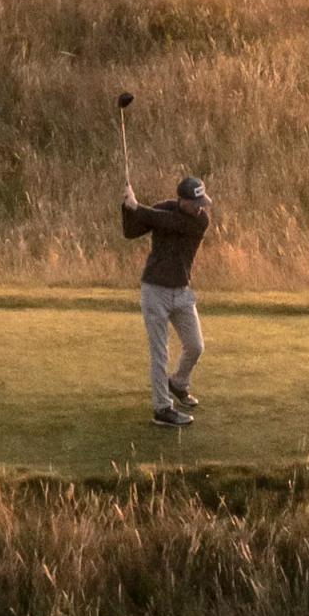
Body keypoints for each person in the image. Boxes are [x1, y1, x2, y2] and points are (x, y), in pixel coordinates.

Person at [120, 172, 213, 427]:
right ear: (182, 200)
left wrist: (138, 207)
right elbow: (131, 231)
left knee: (195, 346)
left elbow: (170, 223)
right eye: (195, 203)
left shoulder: (199, 221)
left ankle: (178, 383)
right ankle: (162, 408)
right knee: (160, 353)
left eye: (201, 202)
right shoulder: (163, 210)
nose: (199, 208)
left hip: (182, 291)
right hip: (155, 291)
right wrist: (127, 208)